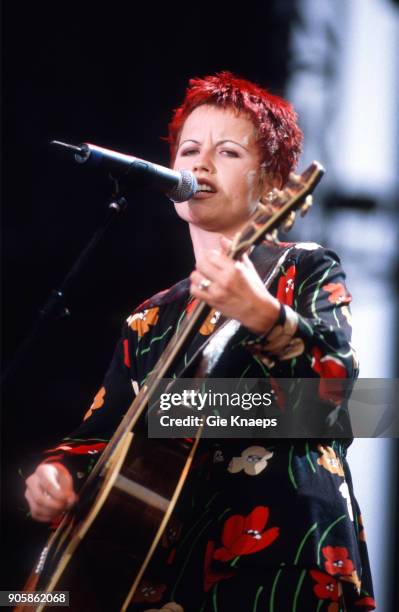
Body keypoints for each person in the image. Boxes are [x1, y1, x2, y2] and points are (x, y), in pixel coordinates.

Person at [24, 72, 376, 611]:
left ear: (272, 181)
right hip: (157, 573)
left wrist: (261, 316)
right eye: (189, 149)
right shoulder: (149, 318)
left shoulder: (301, 269)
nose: (199, 164)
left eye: (228, 152)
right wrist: (56, 474)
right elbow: (100, 434)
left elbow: (357, 407)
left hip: (278, 562)